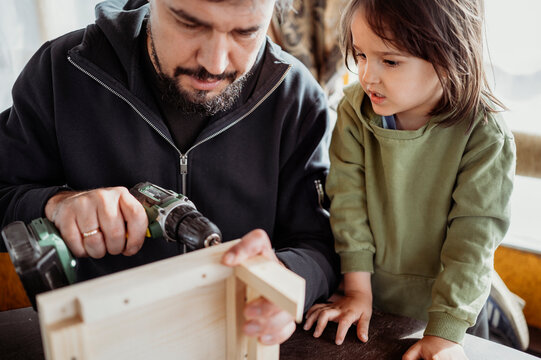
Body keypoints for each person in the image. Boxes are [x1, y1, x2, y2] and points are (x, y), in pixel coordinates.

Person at [0, 0, 340, 345]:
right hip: (99, 342)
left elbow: (320, 244)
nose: (214, 63)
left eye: (245, 32)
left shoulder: (298, 99)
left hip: (235, 342)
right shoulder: (63, 69)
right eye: (189, 24)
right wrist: (56, 205)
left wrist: (285, 279)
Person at [303, 0, 516, 359]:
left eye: (390, 61)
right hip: (370, 296)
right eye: (361, 55)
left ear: (449, 56)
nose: (368, 75)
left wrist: (446, 333)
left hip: (452, 312)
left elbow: (473, 241)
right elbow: (348, 203)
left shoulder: (484, 136)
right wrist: (357, 290)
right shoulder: (355, 109)